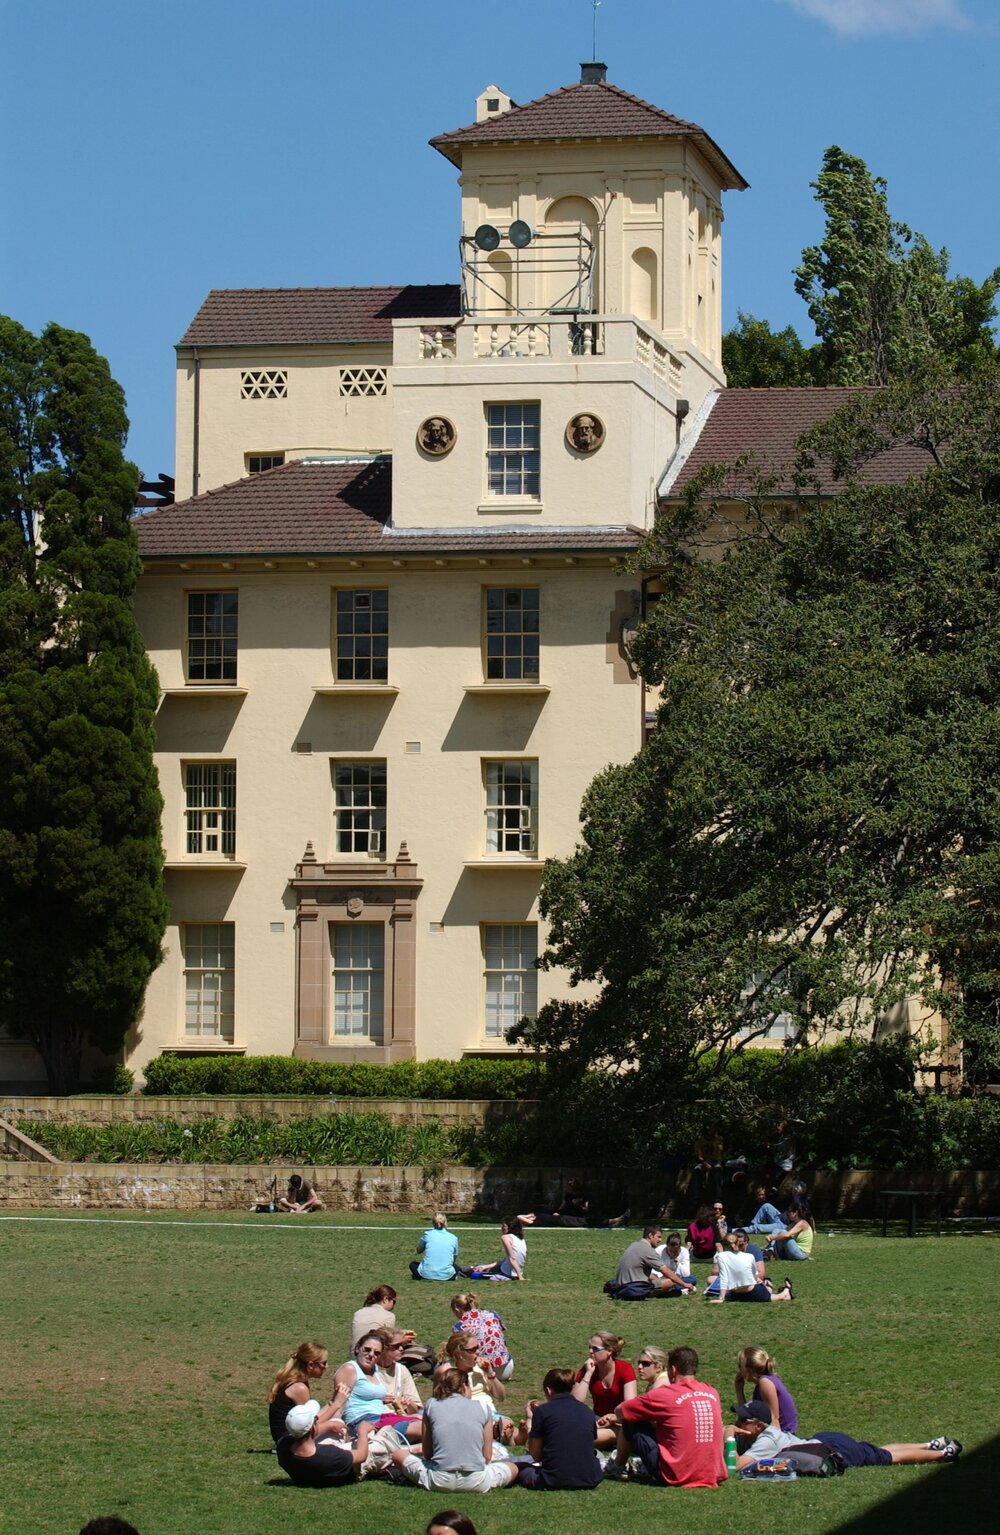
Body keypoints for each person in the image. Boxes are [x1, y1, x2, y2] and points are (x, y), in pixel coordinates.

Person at [613, 1345, 727, 1488]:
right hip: (712, 1472)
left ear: (672, 1370)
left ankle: (617, 1467)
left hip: (675, 1475)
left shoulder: (665, 1394)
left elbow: (621, 1411)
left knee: (631, 1420)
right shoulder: (712, 1392)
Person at [732, 1400, 962, 1469]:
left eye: (743, 1420)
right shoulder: (769, 1433)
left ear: (758, 1426)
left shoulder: (766, 1441)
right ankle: (928, 1445)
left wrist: (727, 1439)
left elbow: (739, 1466)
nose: (737, 1422)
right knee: (878, 1451)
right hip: (827, 1440)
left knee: (888, 1458)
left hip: (832, 1451)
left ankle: (942, 1455)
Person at [392, 1367, 518, 1492]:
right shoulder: (483, 1408)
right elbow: (487, 1456)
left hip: (437, 1480)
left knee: (398, 1454)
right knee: (513, 1468)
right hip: (477, 1481)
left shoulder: (431, 1405)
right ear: (464, 1386)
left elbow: (428, 1454)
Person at [516, 1367, 602, 1489]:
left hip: (553, 1479)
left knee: (520, 1468)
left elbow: (536, 1454)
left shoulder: (542, 1411)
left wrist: (530, 1420)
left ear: (549, 1390)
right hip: (590, 1478)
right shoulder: (587, 1411)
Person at [275, 1398, 375, 1486]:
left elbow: (305, 1433)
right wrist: (363, 1430)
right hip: (352, 1470)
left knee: (337, 1421)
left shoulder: (282, 1447)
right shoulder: (329, 1455)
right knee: (378, 1442)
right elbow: (362, 1455)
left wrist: (329, 1425)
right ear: (313, 1429)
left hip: (316, 1471)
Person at [436, 1332, 512, 1438]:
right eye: (472, 1350)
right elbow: (438, 1402)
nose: (478, 1352)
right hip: (465, 1416)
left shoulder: (481, 1368)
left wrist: (490, 1373)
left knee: (509, 1428)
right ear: (458, 1354)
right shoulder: (447, 1371)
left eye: (478, 1347)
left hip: (490, 1413)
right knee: (505, 1430)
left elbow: (501, 1397)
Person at [267, 1341, 343, 1443]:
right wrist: (337, 1405)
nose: (327, 1366)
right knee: (336, 1425)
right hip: (290, 1442)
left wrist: (334, 1400)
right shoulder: (299, 1388)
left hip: (289, 1438)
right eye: (324, 1363)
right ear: (311, 1365)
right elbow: (309, 1426)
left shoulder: (294, 1380)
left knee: (335, 1420)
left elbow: (312, 1419)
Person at [572, 1332, 636, 1446]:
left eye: (595, 1349)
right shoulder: (587, 1369)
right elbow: (574, 1402)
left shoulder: (625, 1369)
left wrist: (614, 1418)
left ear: (609, 1351)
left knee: (581, 1438)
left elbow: (630, 1407)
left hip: (620, 1422)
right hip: (598, 1421)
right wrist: (588, 1374)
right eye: (590, 1348)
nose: (590, 1352)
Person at [331, 1331, 391, 1430]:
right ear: (358, 1349)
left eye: (377, 1353)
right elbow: (338, 1404)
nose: (371, 1355)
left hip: (382, 1417)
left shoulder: (375, 1370)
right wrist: (336, 1426)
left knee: (418, 1418)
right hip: (361, 1420)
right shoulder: (350, 1369)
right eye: (367, 1350)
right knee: (418, 1426)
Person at [709, 1233, 794, 1302]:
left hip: (736, 1293)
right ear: (738, 1243)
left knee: (777, 1296)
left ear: (723, 1245)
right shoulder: (749, 1256)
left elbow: (724, 1277)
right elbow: (755, 1275)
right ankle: (770, 1287)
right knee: (771, 1296)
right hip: (752, 1290)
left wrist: (721, 1298)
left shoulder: (721, 1256)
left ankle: (786, 1291)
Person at [734, 1346, 798, 1432]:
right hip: (774, 1433)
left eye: (740, 1366)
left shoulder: (765, 1383)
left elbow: (774, 1419)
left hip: (784, 1435)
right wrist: (739, 1390)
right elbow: (745, 1417)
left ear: (748, 1370)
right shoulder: (762, 1384)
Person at [451, 1292, 513, 1377]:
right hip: (507, 1368)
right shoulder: (492, 1314)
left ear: (457, 1310)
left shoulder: (459, 1327)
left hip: (482, 1372)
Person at [467, 1217, 527, 1281]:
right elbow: (508, 1260)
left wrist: (520, 1277)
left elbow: (512, 1258)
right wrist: (485, 1266)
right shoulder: (521, 1239)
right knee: (480, 1266)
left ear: (510, 1227)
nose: (502, 1228)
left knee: (473, 1270)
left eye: (504, 1226)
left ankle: (460, 1271)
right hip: (514, 1271)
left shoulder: (506, 1237)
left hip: (506, 1272)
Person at [411, 1213, 460, 1281]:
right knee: (456, 1267)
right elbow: (454, 1258)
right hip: (446, 1275)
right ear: (445, 1222)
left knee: (412, 1264)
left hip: (425, 1274)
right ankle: (452, 1276)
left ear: (433, 1223)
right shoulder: (453, 1238)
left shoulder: (427, 1234)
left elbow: (419, 1251)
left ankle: (422, 1275)